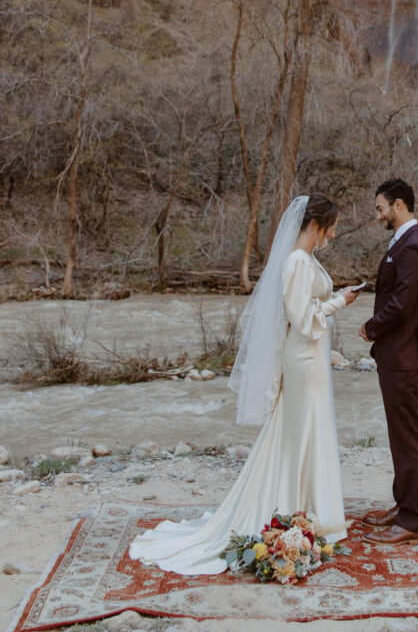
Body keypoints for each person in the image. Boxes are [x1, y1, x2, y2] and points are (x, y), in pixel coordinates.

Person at [129, 193, 358, 575]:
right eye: (330, 228)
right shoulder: (297, 262)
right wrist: (340, 302)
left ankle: (308, 509)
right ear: (315, 225)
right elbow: (303, 319)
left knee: (306, 428)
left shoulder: (305, 260)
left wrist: (332, 299)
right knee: (303, 428)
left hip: (310, 357)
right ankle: (299, 510)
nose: (332, 235)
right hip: (304, 358)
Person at [358, 178, 418, 546]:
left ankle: (412, 522)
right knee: (399, 435)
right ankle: (403, 505)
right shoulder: (403, 243)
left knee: (407, 438)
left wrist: (371, 327)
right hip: (396, 355)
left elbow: (402, 304)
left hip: (405, 356)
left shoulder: (415, 246)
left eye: (380, 208)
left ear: (399, 204)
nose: (378, 216)